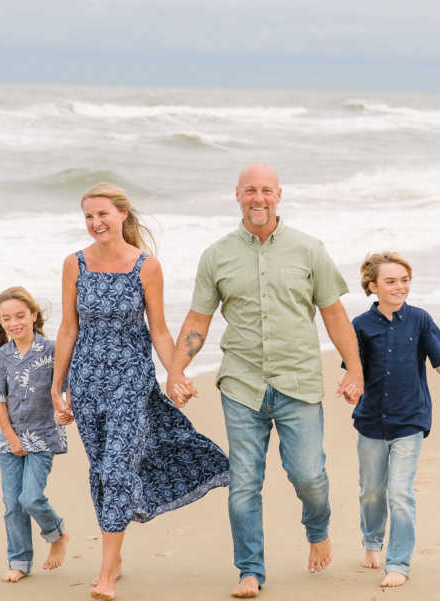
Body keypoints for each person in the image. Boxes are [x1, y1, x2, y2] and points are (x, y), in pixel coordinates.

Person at [166, 164, 364, 598]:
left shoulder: (309, 250)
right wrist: (177, 370)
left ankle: (318, 529)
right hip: (242, 384)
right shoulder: (216, 256)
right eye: (250, 190)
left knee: (308, 475)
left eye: (266, 191)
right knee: (244, 483)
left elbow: (333, 312)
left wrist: (354, 368)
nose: (258, 198)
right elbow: (199, 318)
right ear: (237, 195)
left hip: (298, 381)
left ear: (279, 195)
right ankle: (250, 570)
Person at [51, 183, 229, 601]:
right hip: (86, 381)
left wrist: (177, 374)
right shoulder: (74, 264)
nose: (96, 223)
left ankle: (107, 569)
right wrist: (56, 388)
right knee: (100, 470)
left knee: (115, 469)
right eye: (89, 217)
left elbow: (159, 331)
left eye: (103, 215)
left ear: (122, 216)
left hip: (130, 381)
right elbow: (67, 329)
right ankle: (116, 551)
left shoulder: (145, 266)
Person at [347, 252, 440, 588]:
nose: (400, 286)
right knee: (371, 492)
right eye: (391, 281)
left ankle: (398, 562)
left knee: (400, 492)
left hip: (410, 419)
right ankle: (372, 541)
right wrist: (350, 388)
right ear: (372, 286)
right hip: (370, 421)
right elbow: (354, 374)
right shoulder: (360, 325)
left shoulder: (420, 320)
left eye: (404, 280)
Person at [0, 286, 70, 583]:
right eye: (7, 318)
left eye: (20, 316)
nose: (14, 323)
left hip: (44, 436)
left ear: (34, 315)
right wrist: (10, 436)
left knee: (31, 498)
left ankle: (57, 533)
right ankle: (20, 560)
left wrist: (66, 409)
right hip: (10, 441)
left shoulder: (51, 350)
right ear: (1, 322)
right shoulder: (1, 358)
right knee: (12, 504)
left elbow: (65, 387)